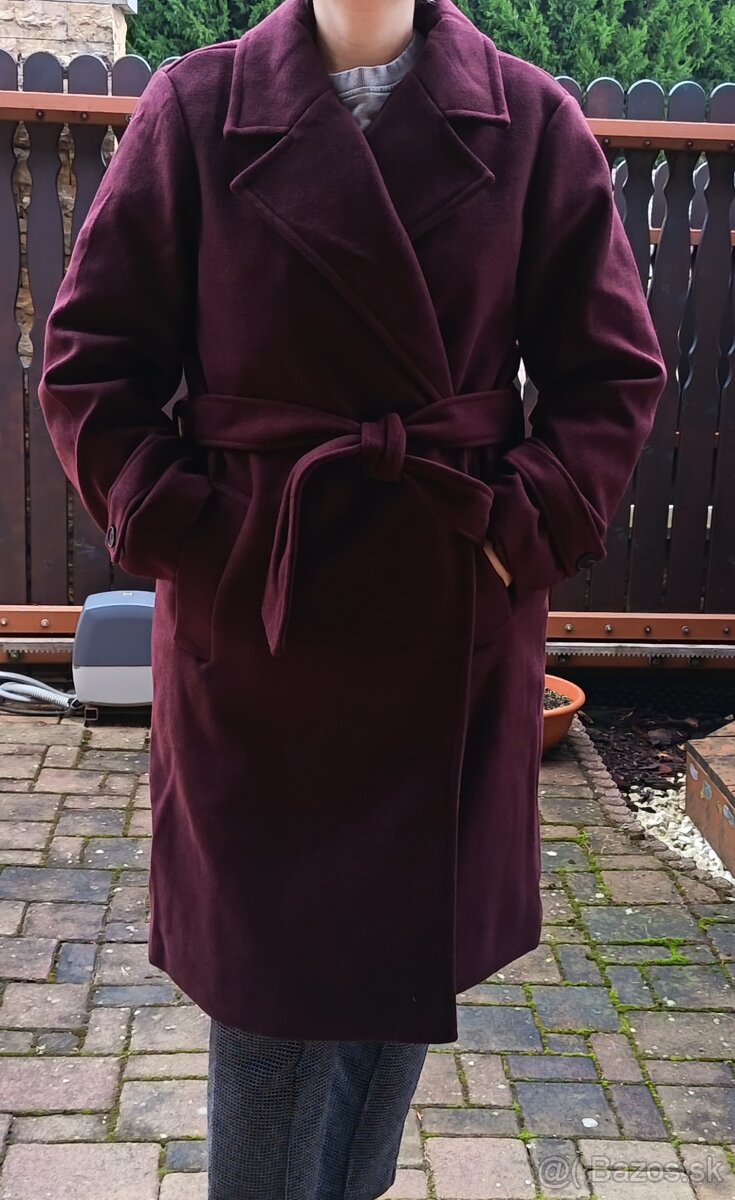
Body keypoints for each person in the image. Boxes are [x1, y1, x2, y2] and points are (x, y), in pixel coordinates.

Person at [39, 0, 666, 1196]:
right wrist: (199, 536)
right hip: (261, 617)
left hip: (448, 607)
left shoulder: (531, 123)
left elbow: (612, 373)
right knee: (270, 1012)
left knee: (392, 978)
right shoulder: (198, 111)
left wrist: (513, 534)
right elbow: (91, 367)